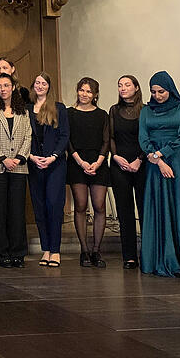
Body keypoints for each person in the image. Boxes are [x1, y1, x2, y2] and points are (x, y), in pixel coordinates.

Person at [139, 71, 180, 278]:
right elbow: (143, 137)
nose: (157, 96)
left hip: (179, 162)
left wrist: (161, 154)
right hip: (155, 164)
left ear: (170, 89)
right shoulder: (146, 111)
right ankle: (163, 258)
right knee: (160, 208)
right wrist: (158, 160)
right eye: (153, 92)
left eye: (161, 91)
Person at [0, 73, 31, 268]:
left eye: (6, 85)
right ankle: (0, 253)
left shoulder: (23, 111)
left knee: (17, 212)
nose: (3, 89)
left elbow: (28, 136)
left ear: (13, 87)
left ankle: (18, 253)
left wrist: (18, 158)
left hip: (19, 167)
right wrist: (3, 159)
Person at [67, 77, 110, 268]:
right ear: (77, 91)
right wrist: (81, 162)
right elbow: (67, 141)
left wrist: (98, 162)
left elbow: (106, 141)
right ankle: (84, 250)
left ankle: (96, 250)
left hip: (98, 162)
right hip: (77, 162)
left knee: (99, 205)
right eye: (81, 90)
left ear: (95, 95)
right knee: (81, 205)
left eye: (88, 91)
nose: (84, 94)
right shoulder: (69, 113)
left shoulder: (102, 115)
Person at [27, 73, 69, 268]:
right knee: (39, 207)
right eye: (37, 82)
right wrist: (31, 156)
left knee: (53, 204)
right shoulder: (26, 109)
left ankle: (55, 250)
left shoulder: (59, 108)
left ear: (49, 86)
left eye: (44, 83)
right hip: (34, 163)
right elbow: (22, 136)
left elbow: (64, 135)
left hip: (55, 164)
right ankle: (45, 249)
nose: (40, 85)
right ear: (33, 86)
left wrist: (53, 156)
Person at [109, 75, 146, 269]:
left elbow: (149, 138)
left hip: (141, 165)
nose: (122, 88)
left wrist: (139, 159)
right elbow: (111, 137)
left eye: (127, 85)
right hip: (119, 165)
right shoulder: (114, 110)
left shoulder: (146, 110)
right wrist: (115, 156)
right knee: (125, 213)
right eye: (119, 85)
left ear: (137, 88)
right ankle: (129, 256)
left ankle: (147, 254)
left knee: (144, 210)